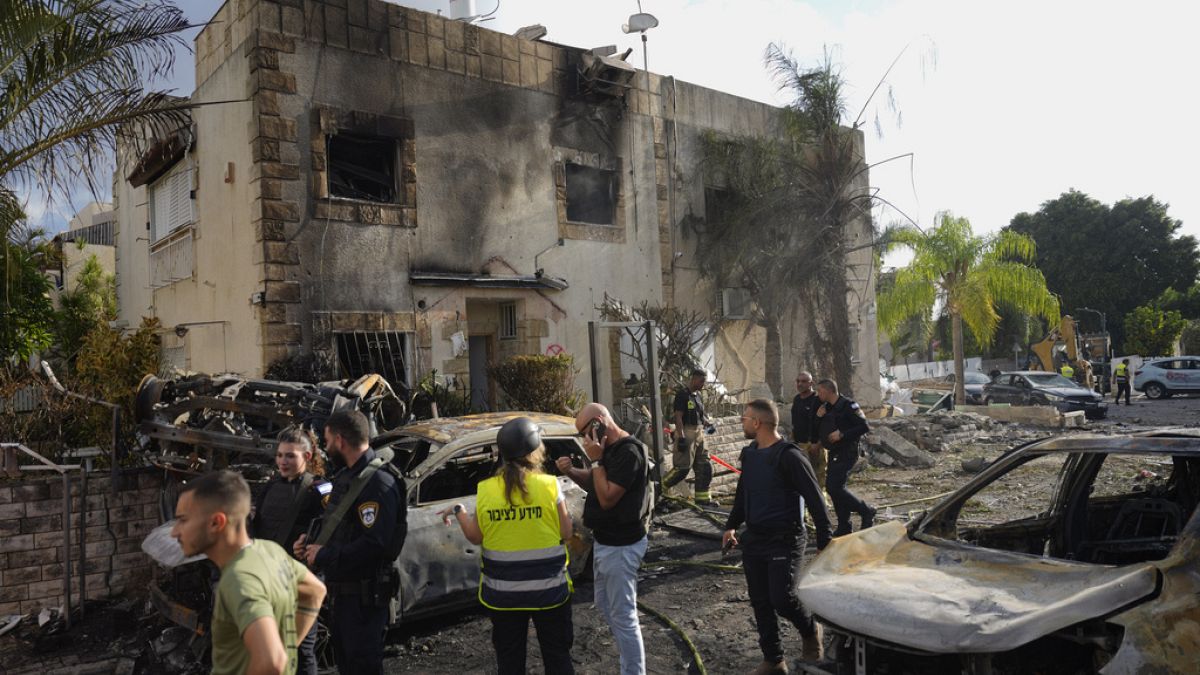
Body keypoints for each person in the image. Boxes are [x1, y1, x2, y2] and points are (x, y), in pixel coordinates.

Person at [441, 417, 575, 675]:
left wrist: (459, 511)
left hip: (503, 595)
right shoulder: (549, 485)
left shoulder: (486, 490)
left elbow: (475, 537)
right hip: (549, 592)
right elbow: (566, 531)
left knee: (510, 662)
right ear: (534, 451)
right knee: (557, 657)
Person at [172, 470, 326, 675]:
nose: (174, 531)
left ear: (216, 522)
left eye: (184, 519)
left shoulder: (240, 580)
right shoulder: (268, 550)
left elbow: (271, 660)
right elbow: (314, 591)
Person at [723, 399, 833, 672]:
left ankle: (810, 632)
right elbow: (742, 494)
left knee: (782, 598)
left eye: (745, 418)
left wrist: (824, 541)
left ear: (758, 423)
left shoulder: (790, 456)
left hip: (785, 538)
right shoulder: (750, 455)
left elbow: (816, 500)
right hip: (756, 538)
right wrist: (731, 525)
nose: (742, 422)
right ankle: (773, 660)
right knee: (760, 601)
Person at [294, 411, 406, 675]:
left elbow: (374, 543)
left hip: (364, 600)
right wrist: (309, 541)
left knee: (362, 667)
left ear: (341, 440)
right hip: (342, 597)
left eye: (328, 440)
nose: (326, 446)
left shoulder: (377, 483)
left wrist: (326, 555)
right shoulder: (347, 477)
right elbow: (340, 524)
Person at [556, 402, 651, 675]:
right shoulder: (609, 450)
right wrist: (573, 472)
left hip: (622, 546)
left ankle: (634, 671)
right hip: (606, 542)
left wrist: (596, 460)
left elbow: (608, 498)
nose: (584, 440)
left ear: (598, 422)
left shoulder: (629, 452)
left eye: (585, 432)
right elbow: (598, 487)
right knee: (608, 607)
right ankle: (629, 665)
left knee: (623, 616)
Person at [251, 427, 330, 675]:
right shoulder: (271, 486)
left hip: (300, 583)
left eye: (290, 456)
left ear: (306, 457)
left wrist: (309, 542)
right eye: (279, 455)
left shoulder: (320, 489)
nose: (282, 462)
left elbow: (331, 529)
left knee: (300, 651)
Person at [815, 379, 875, 537]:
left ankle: (866, 510)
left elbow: (864, 426)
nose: (818, 394)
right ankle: (844, 525)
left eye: (820, 391)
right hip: (834, 452)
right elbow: (822, 428)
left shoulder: (848, 405)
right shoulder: (827, 407)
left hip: (848, 451)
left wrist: (842, 434)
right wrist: (819, 416)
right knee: (834, 488)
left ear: (829, 390)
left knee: (834, 487)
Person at [664, 369, 716, 506]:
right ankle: (658, 490)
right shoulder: (682, 395)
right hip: (686, 432)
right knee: (682, 469)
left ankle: (703, 499)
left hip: (699, 433)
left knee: (705, 466)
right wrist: (680, 437)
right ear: (694, 379)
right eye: (701, 381)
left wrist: (707, 423)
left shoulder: (697, 396)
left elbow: (700, 415)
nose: (703, 385)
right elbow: (678, 417)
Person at [790, 371, 825, 489]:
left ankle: (821, 501)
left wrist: (818, 443)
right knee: (803, 476)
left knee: (818, 476)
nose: (800, 384)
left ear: (811, 383)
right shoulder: (796, 399)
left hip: (815, 445)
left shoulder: (818, 400)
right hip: (800, 445)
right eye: (798, 381)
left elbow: (825, 424)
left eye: (804, 381)